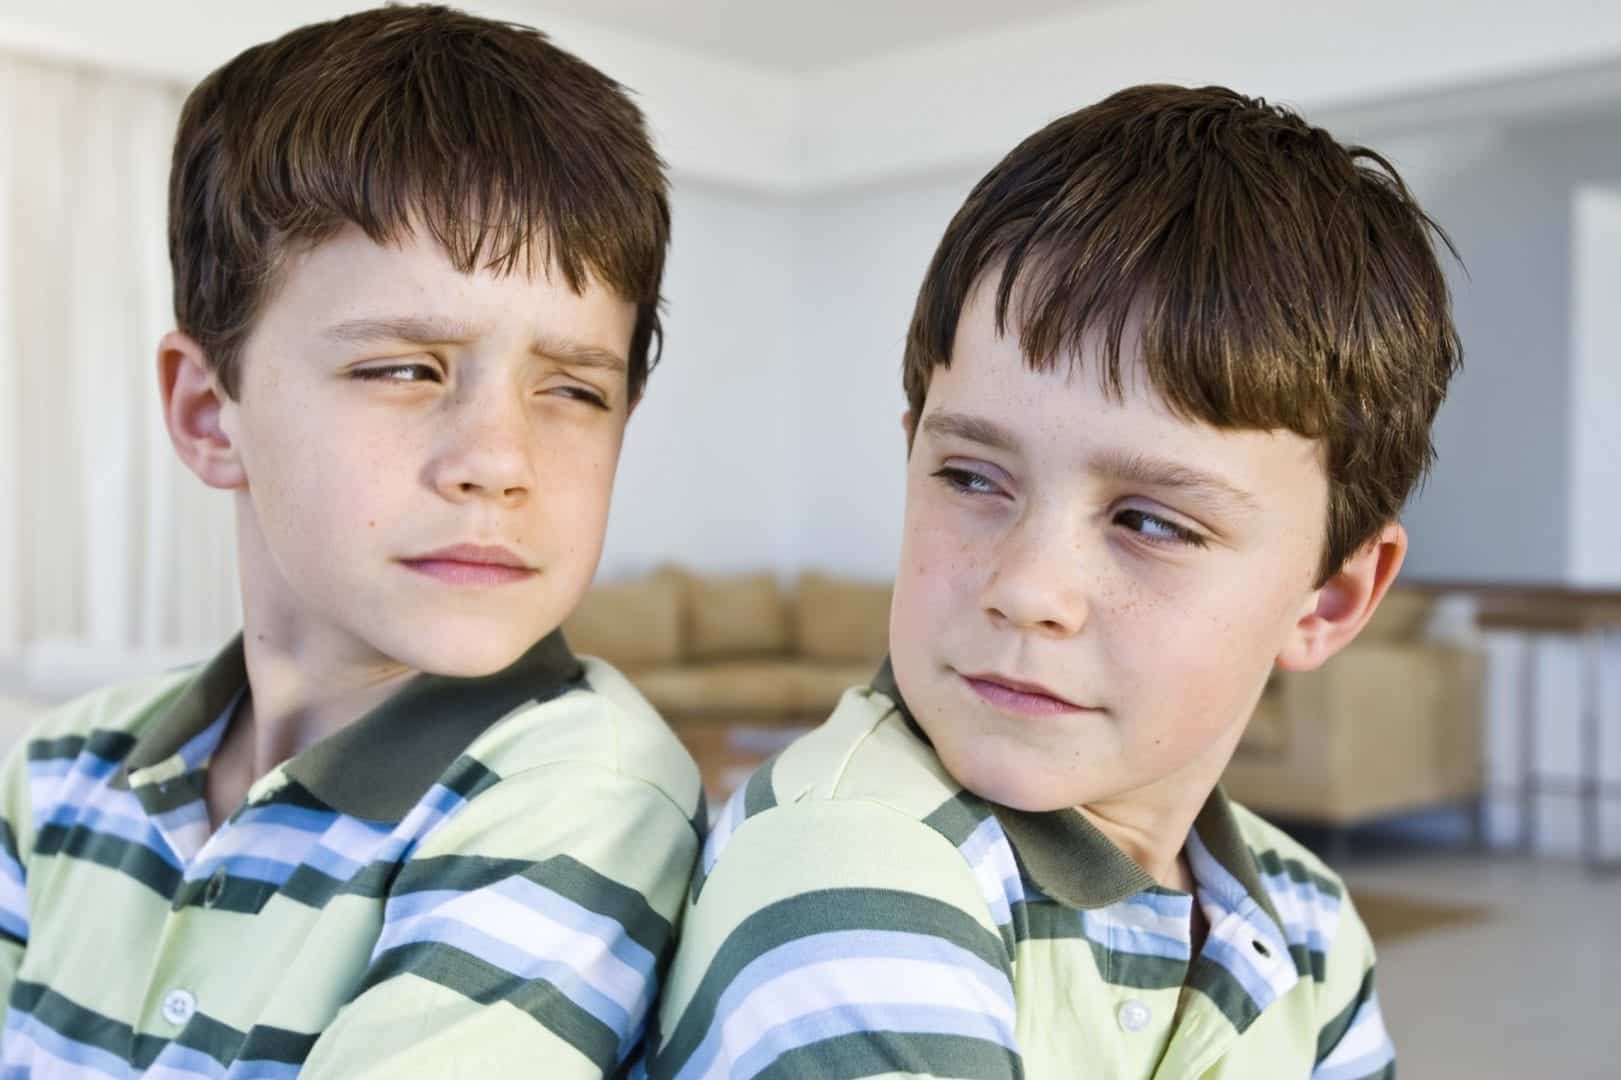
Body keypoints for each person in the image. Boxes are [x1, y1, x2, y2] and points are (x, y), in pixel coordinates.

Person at [650, 84, 1459, 1079]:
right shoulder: (852, 869)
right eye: (972, 478)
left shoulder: (1307, 923)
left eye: (1152, 522)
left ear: (1328, 599)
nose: (1028, 588)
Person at [0, 6, 702, 1075]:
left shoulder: (586, 798)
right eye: (405, 368)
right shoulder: (57, 772)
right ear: (206, 412)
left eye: (572, 388)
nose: (498, 460)